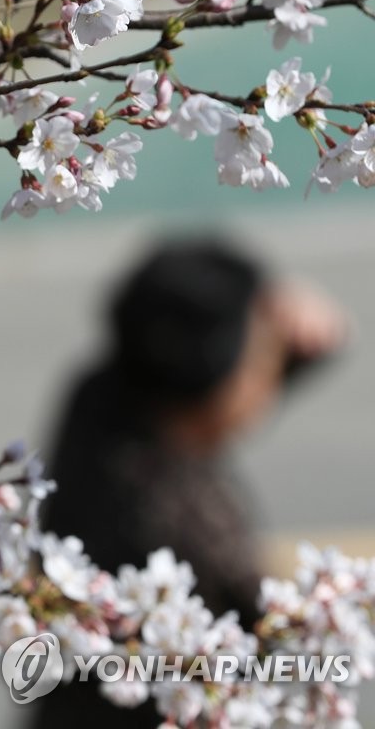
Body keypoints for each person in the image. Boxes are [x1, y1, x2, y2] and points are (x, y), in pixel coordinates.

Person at [33, 236, 346, 727]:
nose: (273, 367)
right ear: (216, 385)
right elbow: (276, 629)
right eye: (263, 354)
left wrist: (299, 328)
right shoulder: (171, 530)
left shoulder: (105, 394)